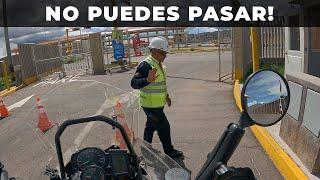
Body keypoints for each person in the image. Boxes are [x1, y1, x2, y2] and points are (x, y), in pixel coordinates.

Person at [131, 36, 183, 158]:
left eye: (165, 53)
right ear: (153, 51)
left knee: (151, 125)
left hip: (157, 104)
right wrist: (147, 80)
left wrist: (167, 96)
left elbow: (161, 84)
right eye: (162, 53)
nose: (164, 56)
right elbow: (134, 83)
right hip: (150, 105)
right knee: (164, 126)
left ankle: (145, 148)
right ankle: (169, 151)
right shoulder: (145, 65)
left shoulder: (159, 64)